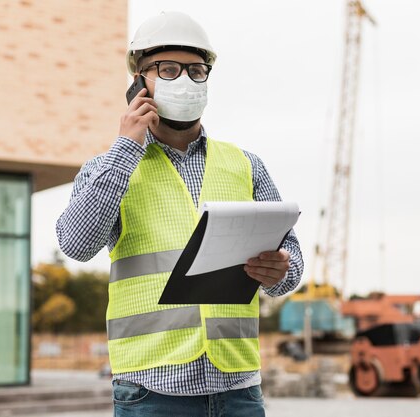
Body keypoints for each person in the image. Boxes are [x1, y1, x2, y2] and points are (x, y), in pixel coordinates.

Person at [56, 11, 303, 417]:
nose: (185, 80)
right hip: (151, 390)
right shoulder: (109, 168)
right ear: (139, 81)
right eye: (168, 69)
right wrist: (126, 148)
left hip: (238, 389)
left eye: (196, 70)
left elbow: (289, 269)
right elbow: (77, 244)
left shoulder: (246, 165)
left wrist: (282, 271)